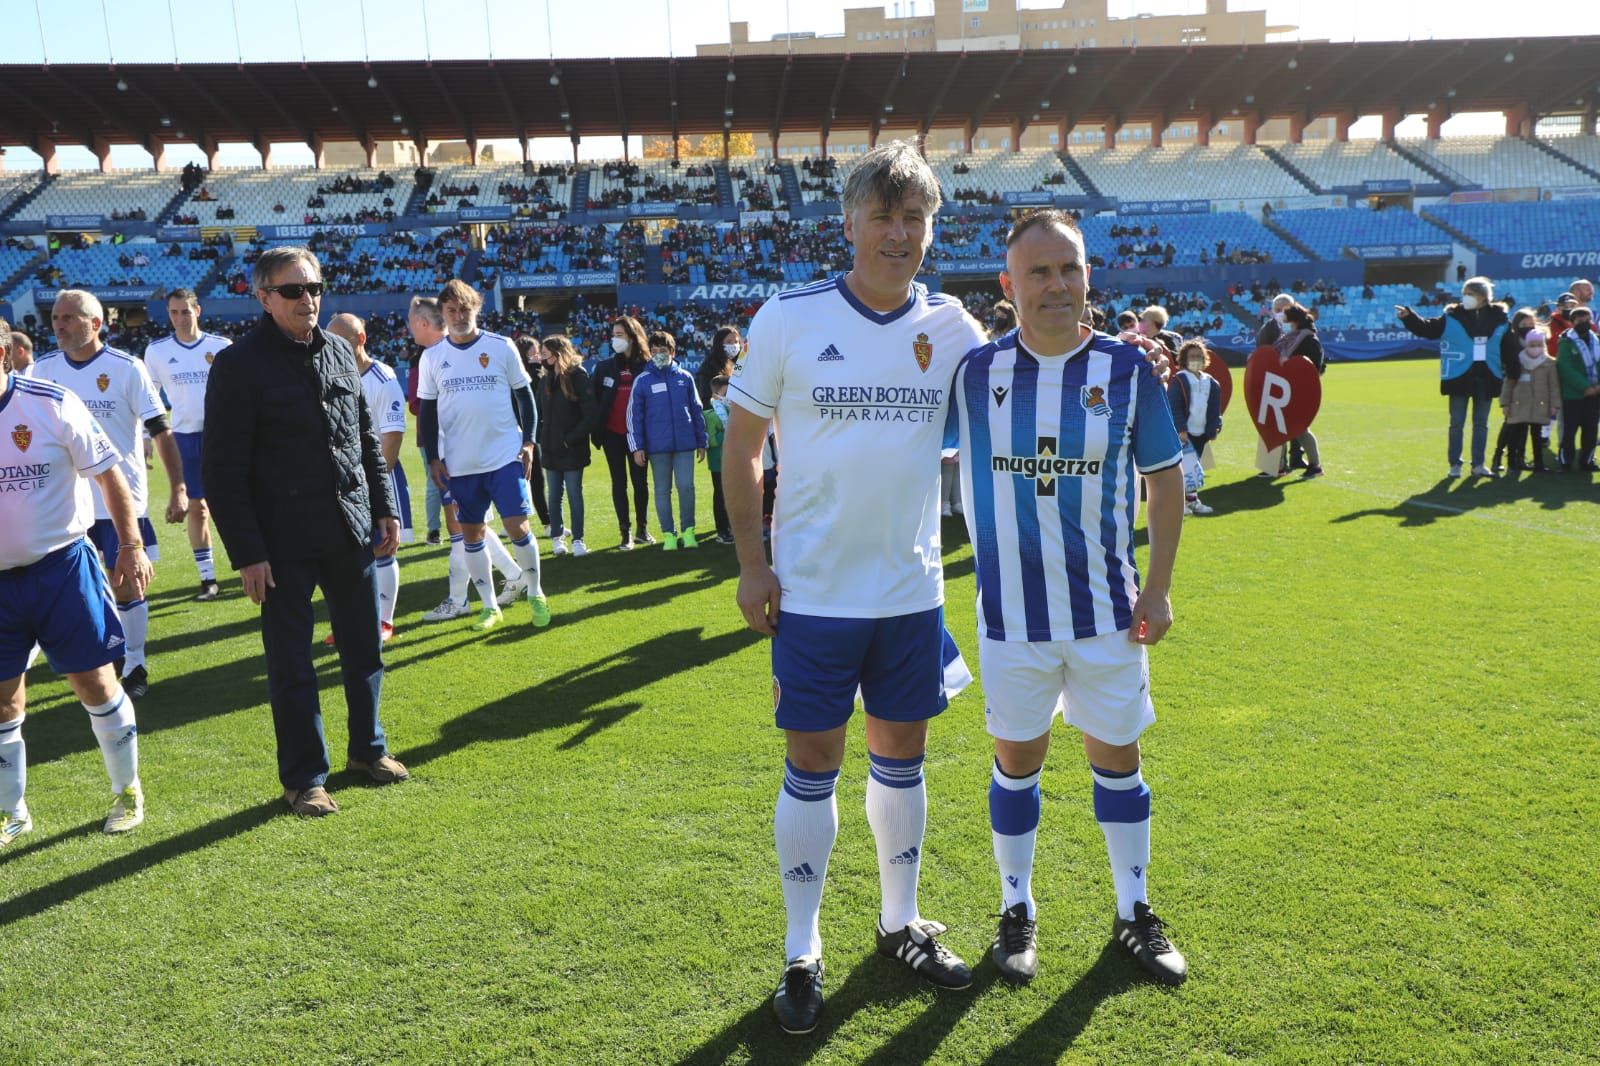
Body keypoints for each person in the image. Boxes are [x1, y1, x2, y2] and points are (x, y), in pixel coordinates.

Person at [724, 141, 991, 1035]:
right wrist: (753, 563)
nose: (899, 233)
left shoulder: (955, 328)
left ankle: (899, 923)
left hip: (911, 594)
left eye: (914, 218)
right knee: (810, 768)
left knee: (902, 761)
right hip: (811, 596)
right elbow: (742, 446)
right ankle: (802, 951)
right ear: (848, 223)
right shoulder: (789, 317)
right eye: (882, 215)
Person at [947, 208, 1189, 988]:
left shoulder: (1125, 371)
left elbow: (1164, 482)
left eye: (1070, 268)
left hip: (1109, 617)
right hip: (1011, 620)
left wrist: (1158, 589)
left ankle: (1134, 912)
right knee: (1016, 764)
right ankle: (1017, 909)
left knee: (1118, 762)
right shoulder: (978, 374)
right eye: (1040, 272)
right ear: (1008, 285)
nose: (1057, 284)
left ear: (1089, 274)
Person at [201, 247, 408, 817]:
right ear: (263, 298)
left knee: (365, 649)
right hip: (281, 543)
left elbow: (365, 440)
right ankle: (304, 779)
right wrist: (248, 553)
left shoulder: (341, 351)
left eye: (314, 288)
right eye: (292, 291)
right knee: (292, 663)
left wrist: (385, 509)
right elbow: (221, 471)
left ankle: (368, 750)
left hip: (349, 530)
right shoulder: (238, 366)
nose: (307, 299)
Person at [0, 314, 151, 845]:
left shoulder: (49, 403)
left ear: (3, 355)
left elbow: (110, 474)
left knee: (94, 683)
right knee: (3, 700)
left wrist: (130, 546)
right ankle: (11, 810)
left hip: (62, 568)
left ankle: (127, 790)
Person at [33, 290, 186, 701]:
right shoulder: (42, 369)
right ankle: (96, 658)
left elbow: (161, 431)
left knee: (127, 587)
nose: (59, 325)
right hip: (64, 508)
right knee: (77, 593)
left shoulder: (126, 368)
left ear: (96, 323)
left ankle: (133, 661)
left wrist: (179, 488)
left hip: (120, 504)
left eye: (69, 318)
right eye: (56, 318)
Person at [417, 279, 550, 631]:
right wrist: (433, 456)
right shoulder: (432, 357)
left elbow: (525, 397)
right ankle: (490, 606)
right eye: (452, 310)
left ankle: (536, 592)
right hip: (459, 462)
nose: (459, 316)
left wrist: (529, 442)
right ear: (443, 314)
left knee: (516, 525)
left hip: (503, 454)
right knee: (471, 534)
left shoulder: (501, 346)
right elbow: (427, 413)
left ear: (476, 309)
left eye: (465, 309)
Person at [326, 313, 409, 642]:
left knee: (382, 547)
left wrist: (376, 484)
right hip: (341, 478)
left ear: (361, 340)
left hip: (375, 476)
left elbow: (392, 436)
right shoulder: (330, 374)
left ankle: (383, 622)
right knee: (345, 553)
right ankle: (351, 622)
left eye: (342, 340)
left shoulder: (383, 377)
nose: (333, 346)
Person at [144, 288, 230, 601]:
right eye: (174, 312)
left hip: (223, 436)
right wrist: (145, 438)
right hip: (184, 438)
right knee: (198, 508)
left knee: (243, 503)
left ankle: (262, 563)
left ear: (198, 311)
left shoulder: (221, 347)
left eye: (185, 311)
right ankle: (208, 580)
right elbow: (149, 400)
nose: (180, 318)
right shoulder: (156, 351)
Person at [1396, 277, 1508, 478]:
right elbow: (1428, 329)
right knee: (1456, 423)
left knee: (1481, 423)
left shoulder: (1499, 318)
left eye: (1471, 294)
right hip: (1459, 376)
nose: (1466, 298)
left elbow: (1508, 346)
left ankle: (1478, 465)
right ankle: (1455, 465)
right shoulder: (1452, 316)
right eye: (1465, 293)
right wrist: (1409, 317)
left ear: (1483, 297)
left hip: (1487, 376)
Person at [629, 330, 706, 551]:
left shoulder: (685, 378)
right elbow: (635, 416)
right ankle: (669, 534)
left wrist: (701, 440)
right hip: (657, 447)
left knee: (686, 487)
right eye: (654, 351)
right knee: (662, 491)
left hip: (684, 444)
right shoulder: (642, 381)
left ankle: (688, 531)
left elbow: (696, 409)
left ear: (672, 352)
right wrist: (638, 447)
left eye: (662, 351)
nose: (658, 355)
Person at [592, 316, 654, 550]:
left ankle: (642, 529)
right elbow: (595, 400)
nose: (614, 339)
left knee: (640, 483)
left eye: (620, 335)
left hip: (638, 437)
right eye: (614, 335)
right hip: (612, 435)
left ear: (632, 336)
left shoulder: (647, 365)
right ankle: (624, 531)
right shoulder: (605, 367)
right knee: (619, 483)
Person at [536, 335, 597, 557]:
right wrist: (542, 438)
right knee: (553, 495)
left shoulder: (578, 376)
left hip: (572, 449)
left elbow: (590, 415)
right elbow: (539, 413)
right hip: (550, 448)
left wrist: (569, 439)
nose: (542, 358)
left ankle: (578, 540)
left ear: (557, 354)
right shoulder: (545, 379)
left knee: (574, 493)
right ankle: (557, 539)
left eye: (545, 354)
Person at [1169, 339, 1223, 514]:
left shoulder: (1211, 382)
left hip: (1201, 432)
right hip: (1184, 433)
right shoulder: (1180, 380)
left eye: (1199, 356)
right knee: (1182, 470)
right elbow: (1174, 405)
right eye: (1192, 356)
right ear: (1184, 358)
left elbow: (1215, 408)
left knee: (1194, 469)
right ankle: (1179, 503)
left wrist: (1215, 426)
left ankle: (1191, 500)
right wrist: (1181, 429)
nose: (1196, 359)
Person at [1500, 326, 1559, 474]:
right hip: (1518, 403)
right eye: (1532, 345)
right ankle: (1512, 462)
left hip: (1540, 404)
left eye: (1539, 345)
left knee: (1537, 434)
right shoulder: (1517, 360)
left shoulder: (1549, 363)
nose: (1535, 348)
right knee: (1515, 433)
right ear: (1527, 345)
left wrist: (1555, 405)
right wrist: (1505, 403)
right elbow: (1508, 383)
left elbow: (1554, 386)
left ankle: (1539, 463)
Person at [1491, 308, 1537, 474]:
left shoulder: (1536, 340)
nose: (1528, 327)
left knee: (1524, 424)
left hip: (1530, 386)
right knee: (1511, 423)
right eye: (1524, 324)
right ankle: (1498, 457)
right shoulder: (1511, 340)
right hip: (1512, 383)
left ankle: (1519, 458)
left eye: (1531, 324)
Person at [515, 336, 553, 534]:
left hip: (526, 432)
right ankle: (547, 523)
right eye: (533, 352)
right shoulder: (527, 376)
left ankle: (512, 520)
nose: (537, 356)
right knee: (537, 478)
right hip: (528, 434)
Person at [1555, 305, 1600, 473]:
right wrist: (1585, 387)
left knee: (1590, 429)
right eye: (1581, 320)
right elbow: (1565, 368)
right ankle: (1566, 462)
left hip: (1594, 395)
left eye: (1587, 320)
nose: (1585, 323)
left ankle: (1587, 461)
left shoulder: (1596, 341)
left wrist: (1597, 387)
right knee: (1569, 430)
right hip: (1573, 395)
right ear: (1572, 322)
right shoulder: (1566, 342)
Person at [704, 374, 735, 544]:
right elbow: (713, 440)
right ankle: (722, 530)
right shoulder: (710, 413)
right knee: (721, 494)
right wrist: (730, 434)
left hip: (733, 458)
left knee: (732, 494)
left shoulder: (730, 407)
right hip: (718, 461)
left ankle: (731, 527)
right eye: (727, 391)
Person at [696, 324, 742, 407]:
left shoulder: (738, 364)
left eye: (736, 342)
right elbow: (705, 398)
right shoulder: (708, 366)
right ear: (719, 343)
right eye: (729, 342)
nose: (734, 346)